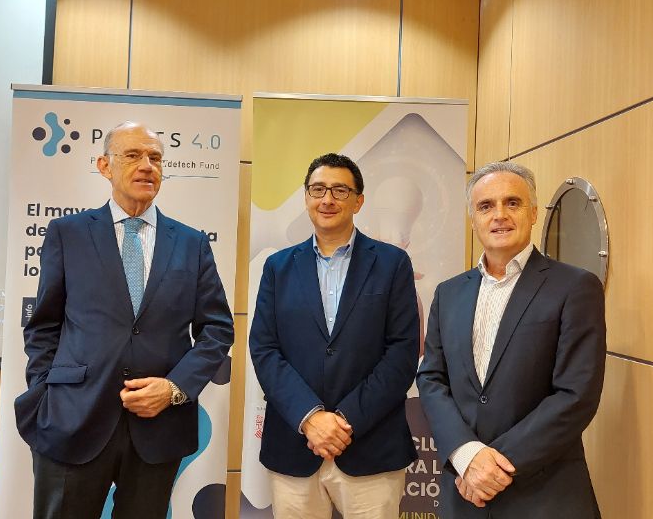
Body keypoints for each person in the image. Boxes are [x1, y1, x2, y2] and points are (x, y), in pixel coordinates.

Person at [14, 121, 234, 519]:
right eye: (132, 155)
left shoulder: (192, 243)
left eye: (155, 158)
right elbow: (44, 325)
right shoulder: (67, 233)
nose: (147, 165)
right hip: (72, 419)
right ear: (104, 166)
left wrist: (174, 389)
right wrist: (47, 394)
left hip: (158, 426)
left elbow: (217, 330)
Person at [417, 161, 605, 518]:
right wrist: (467, 455)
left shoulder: (575, 287)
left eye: (512, 203)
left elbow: (575, 394)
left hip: (544, 495)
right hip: (465, 496)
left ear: (533, 213)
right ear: (473, 219)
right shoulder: (449, 293)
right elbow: (431, 379)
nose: (499, 215)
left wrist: (492, 467)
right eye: (486, 206)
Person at [249, 153, 420, 518]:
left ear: (359, 201)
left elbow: (402, 353)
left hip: (371, 446)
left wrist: (345, 421)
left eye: (340, 190)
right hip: (295, 445)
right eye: (318, 189)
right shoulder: (278, 267)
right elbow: (264, 349)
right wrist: (310, 418)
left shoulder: (392, 264)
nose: (327, 199)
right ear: (306, 197)